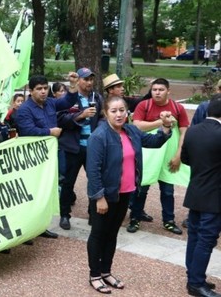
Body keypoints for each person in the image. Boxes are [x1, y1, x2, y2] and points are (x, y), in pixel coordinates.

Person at [86, 96, 172, 294]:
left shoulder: (132, 130)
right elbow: (93, 170)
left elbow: (155, 141)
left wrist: (165, 127)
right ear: (106, 113)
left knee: (113, 233)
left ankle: (106, 271)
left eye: (122, 110)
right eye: (114, 111)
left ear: (127, 112)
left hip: (125, 193)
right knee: (99, 234)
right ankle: (95, 274)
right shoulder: (99, 136)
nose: (119, 114)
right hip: (105, 195)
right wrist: (99, 197)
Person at [16, 74, 79, 236]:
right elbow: (27, 130)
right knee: (33, 191)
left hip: (49, 155)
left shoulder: (50, 103)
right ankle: (28, 226)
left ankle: (40, 226)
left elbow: (67, 102)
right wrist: (49, 132)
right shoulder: (24, 109)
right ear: (31, 91)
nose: (43, 92)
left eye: (45, 88)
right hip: (32, 157)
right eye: (39, 89)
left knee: (46, 189)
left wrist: (72, 85)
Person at [127, 78, 189, 234]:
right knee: (142, 188)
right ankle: (135, 218)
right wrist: (162, 123)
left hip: (169, 155)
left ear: (168, 90)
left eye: (161, 89)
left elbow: (184, 132)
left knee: (167, 190)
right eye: (154, 90)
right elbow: (137, 125)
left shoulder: (178, 108)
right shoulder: (144, 105)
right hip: (149, 153)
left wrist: (178, 155)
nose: (157, 93)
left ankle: (168, 220)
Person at [181, 94, 221, 297]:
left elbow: (186, 158)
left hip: (196, 189)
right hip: (215, 195)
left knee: (195, 237)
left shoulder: (193, 131)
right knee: (206, 239)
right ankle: (196, 283)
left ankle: (194, 275)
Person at [57, 67, 104, 230]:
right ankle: (64, 215)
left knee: (94, 181)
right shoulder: (69, 98)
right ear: (78, 81)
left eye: (91, 79)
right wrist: (81, 115)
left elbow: (102, 118)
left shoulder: (96, 97)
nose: (89, 82)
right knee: (68, 182)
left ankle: (93, 214)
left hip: (92, 147)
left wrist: (99, 129)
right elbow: (61, 119)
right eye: (86, 79)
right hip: (73, 147)